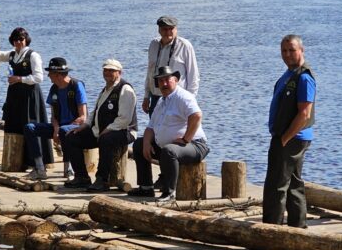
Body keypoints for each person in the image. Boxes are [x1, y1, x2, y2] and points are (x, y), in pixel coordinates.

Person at [128, 66, 209, 203]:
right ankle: (146, 187)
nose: (164, 84)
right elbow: (150, 127)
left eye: (167, 80)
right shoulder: (162, 100)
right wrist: (147, 143)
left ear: (176, 80)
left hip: (195, 145)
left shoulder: (183, 97)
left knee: (169, 151)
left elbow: (196, 116)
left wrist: (186, 139)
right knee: (139, 144)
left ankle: (169, 192)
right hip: (170, 146)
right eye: (161, 81)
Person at [262, 35, 316, 227]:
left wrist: (285, 138)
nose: (287, 54)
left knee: (276, 185)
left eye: (292, 50)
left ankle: (270, 230)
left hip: (292, 138)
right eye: (284, 51)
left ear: (301, 50)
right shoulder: (289, 74)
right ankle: (297, 228)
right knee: (293, 184)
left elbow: (304, 113)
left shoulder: (304, 77)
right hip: (286, 136)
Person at [62, 58, 138, 190]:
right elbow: (95, 111)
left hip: (125, 131)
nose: (107, 73)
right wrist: (84, 125)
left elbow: (125, 119)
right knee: (71, 137)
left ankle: (102, 179)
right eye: (105, 70)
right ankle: (82, 177)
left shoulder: (125, 89)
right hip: (101, 131)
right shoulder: (105, 90)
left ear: (119, 72)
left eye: (111, 70)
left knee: (106, 140)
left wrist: (108, 129)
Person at [0, 27, 51, 168]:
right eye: (15, 40)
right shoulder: (12, 54)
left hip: (30, 96)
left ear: (26, 40)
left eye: (21, 39)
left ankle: (35, 162)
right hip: (14, 96)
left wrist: (20, 79)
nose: (18, 42)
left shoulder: (33, 55)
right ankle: (17, 160)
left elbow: (39, 77)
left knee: (30, 125)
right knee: (15, 125)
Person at [22, 58, 87, 180]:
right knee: (29, 128)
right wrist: (56, 129)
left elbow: (83, 116)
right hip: (59, 126)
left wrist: (63, 129)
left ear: (58, 75)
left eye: (50, 73)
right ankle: (40, 168)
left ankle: (68, 170)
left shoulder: (76, 85)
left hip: (75, 126)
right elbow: (53, 116)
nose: (48, 76)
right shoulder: (54, 88)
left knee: (64, 131)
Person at [143, 15, 199, 115]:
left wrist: (189, 101)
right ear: (159, 30)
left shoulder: (185, 46)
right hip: (155, 97)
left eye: (171, 29)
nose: (168, 32)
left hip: (176, 98)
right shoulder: (153, 44)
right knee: (155, 125)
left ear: (176, 29)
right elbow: (150, 72)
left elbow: (193, 75)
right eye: (165, 29)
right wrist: (146, 96)